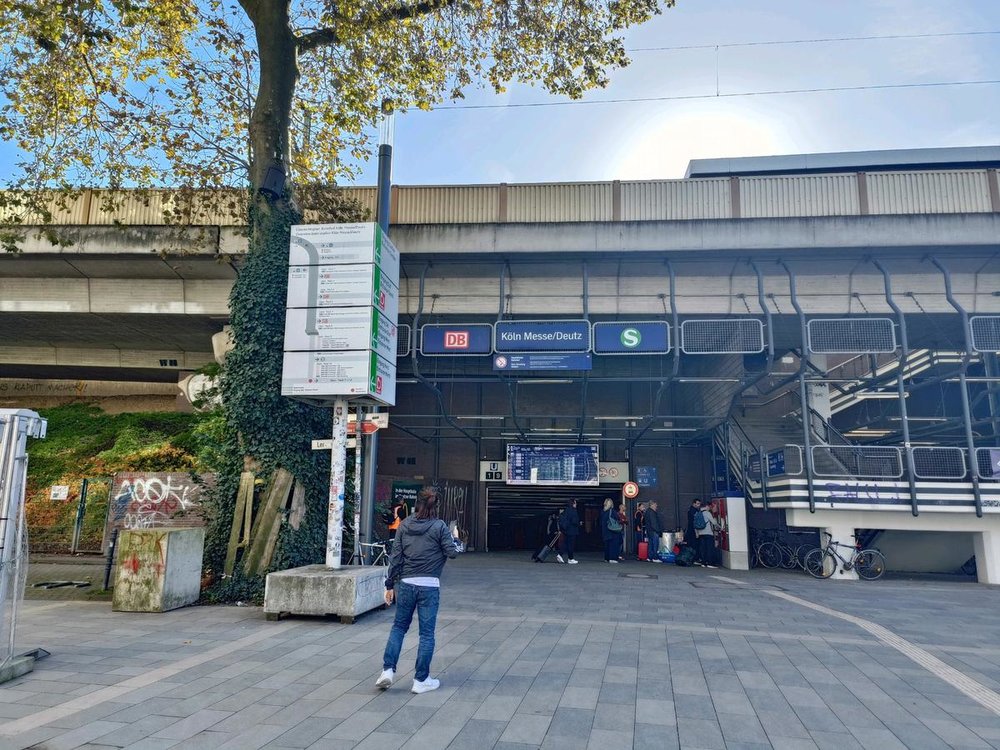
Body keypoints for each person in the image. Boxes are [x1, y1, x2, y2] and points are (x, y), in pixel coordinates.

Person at [377, 488, 463, 694]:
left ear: (417, 503)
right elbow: (452, 553)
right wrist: (456, 540)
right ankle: (420, 680)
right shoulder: (439, 526)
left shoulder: (405, 525)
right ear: (436, 507)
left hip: (406, 584)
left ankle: (387, 671)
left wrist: (390, 585)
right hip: (429, 586)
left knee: (398, 628)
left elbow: (396, 558)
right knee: (426, 634)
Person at [556, 498, 580, 564]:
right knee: (570, 544)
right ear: (573, 503)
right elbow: (574, 521)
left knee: (566, 543)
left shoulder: (566, 510)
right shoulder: (573, 510)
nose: (576, 504)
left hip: (566, 530)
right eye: (575, 503)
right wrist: (579, 523)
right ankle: (570, 558)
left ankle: (561, 555)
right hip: (572, 530)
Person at [695, 502, 719, 568]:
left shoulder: (697, 513)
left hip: (700, 534)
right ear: (706, 506)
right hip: (708, 533)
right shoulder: (707, 513)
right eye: (709, 507)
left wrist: (697, 533)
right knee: (709, 548)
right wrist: (719, 527)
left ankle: (703, 562)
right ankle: (710, 563)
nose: (710, 508)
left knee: (703, 549)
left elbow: (695, 524)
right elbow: (714, 522)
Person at [599, 498, 621, 564]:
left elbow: (600, 522)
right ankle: (613, 558)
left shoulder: (603, 512)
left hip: (605, 531)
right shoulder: (612, 511)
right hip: (612, 530)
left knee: (607, 545)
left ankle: (607, 558)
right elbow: (617, 519)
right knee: (613, 544)